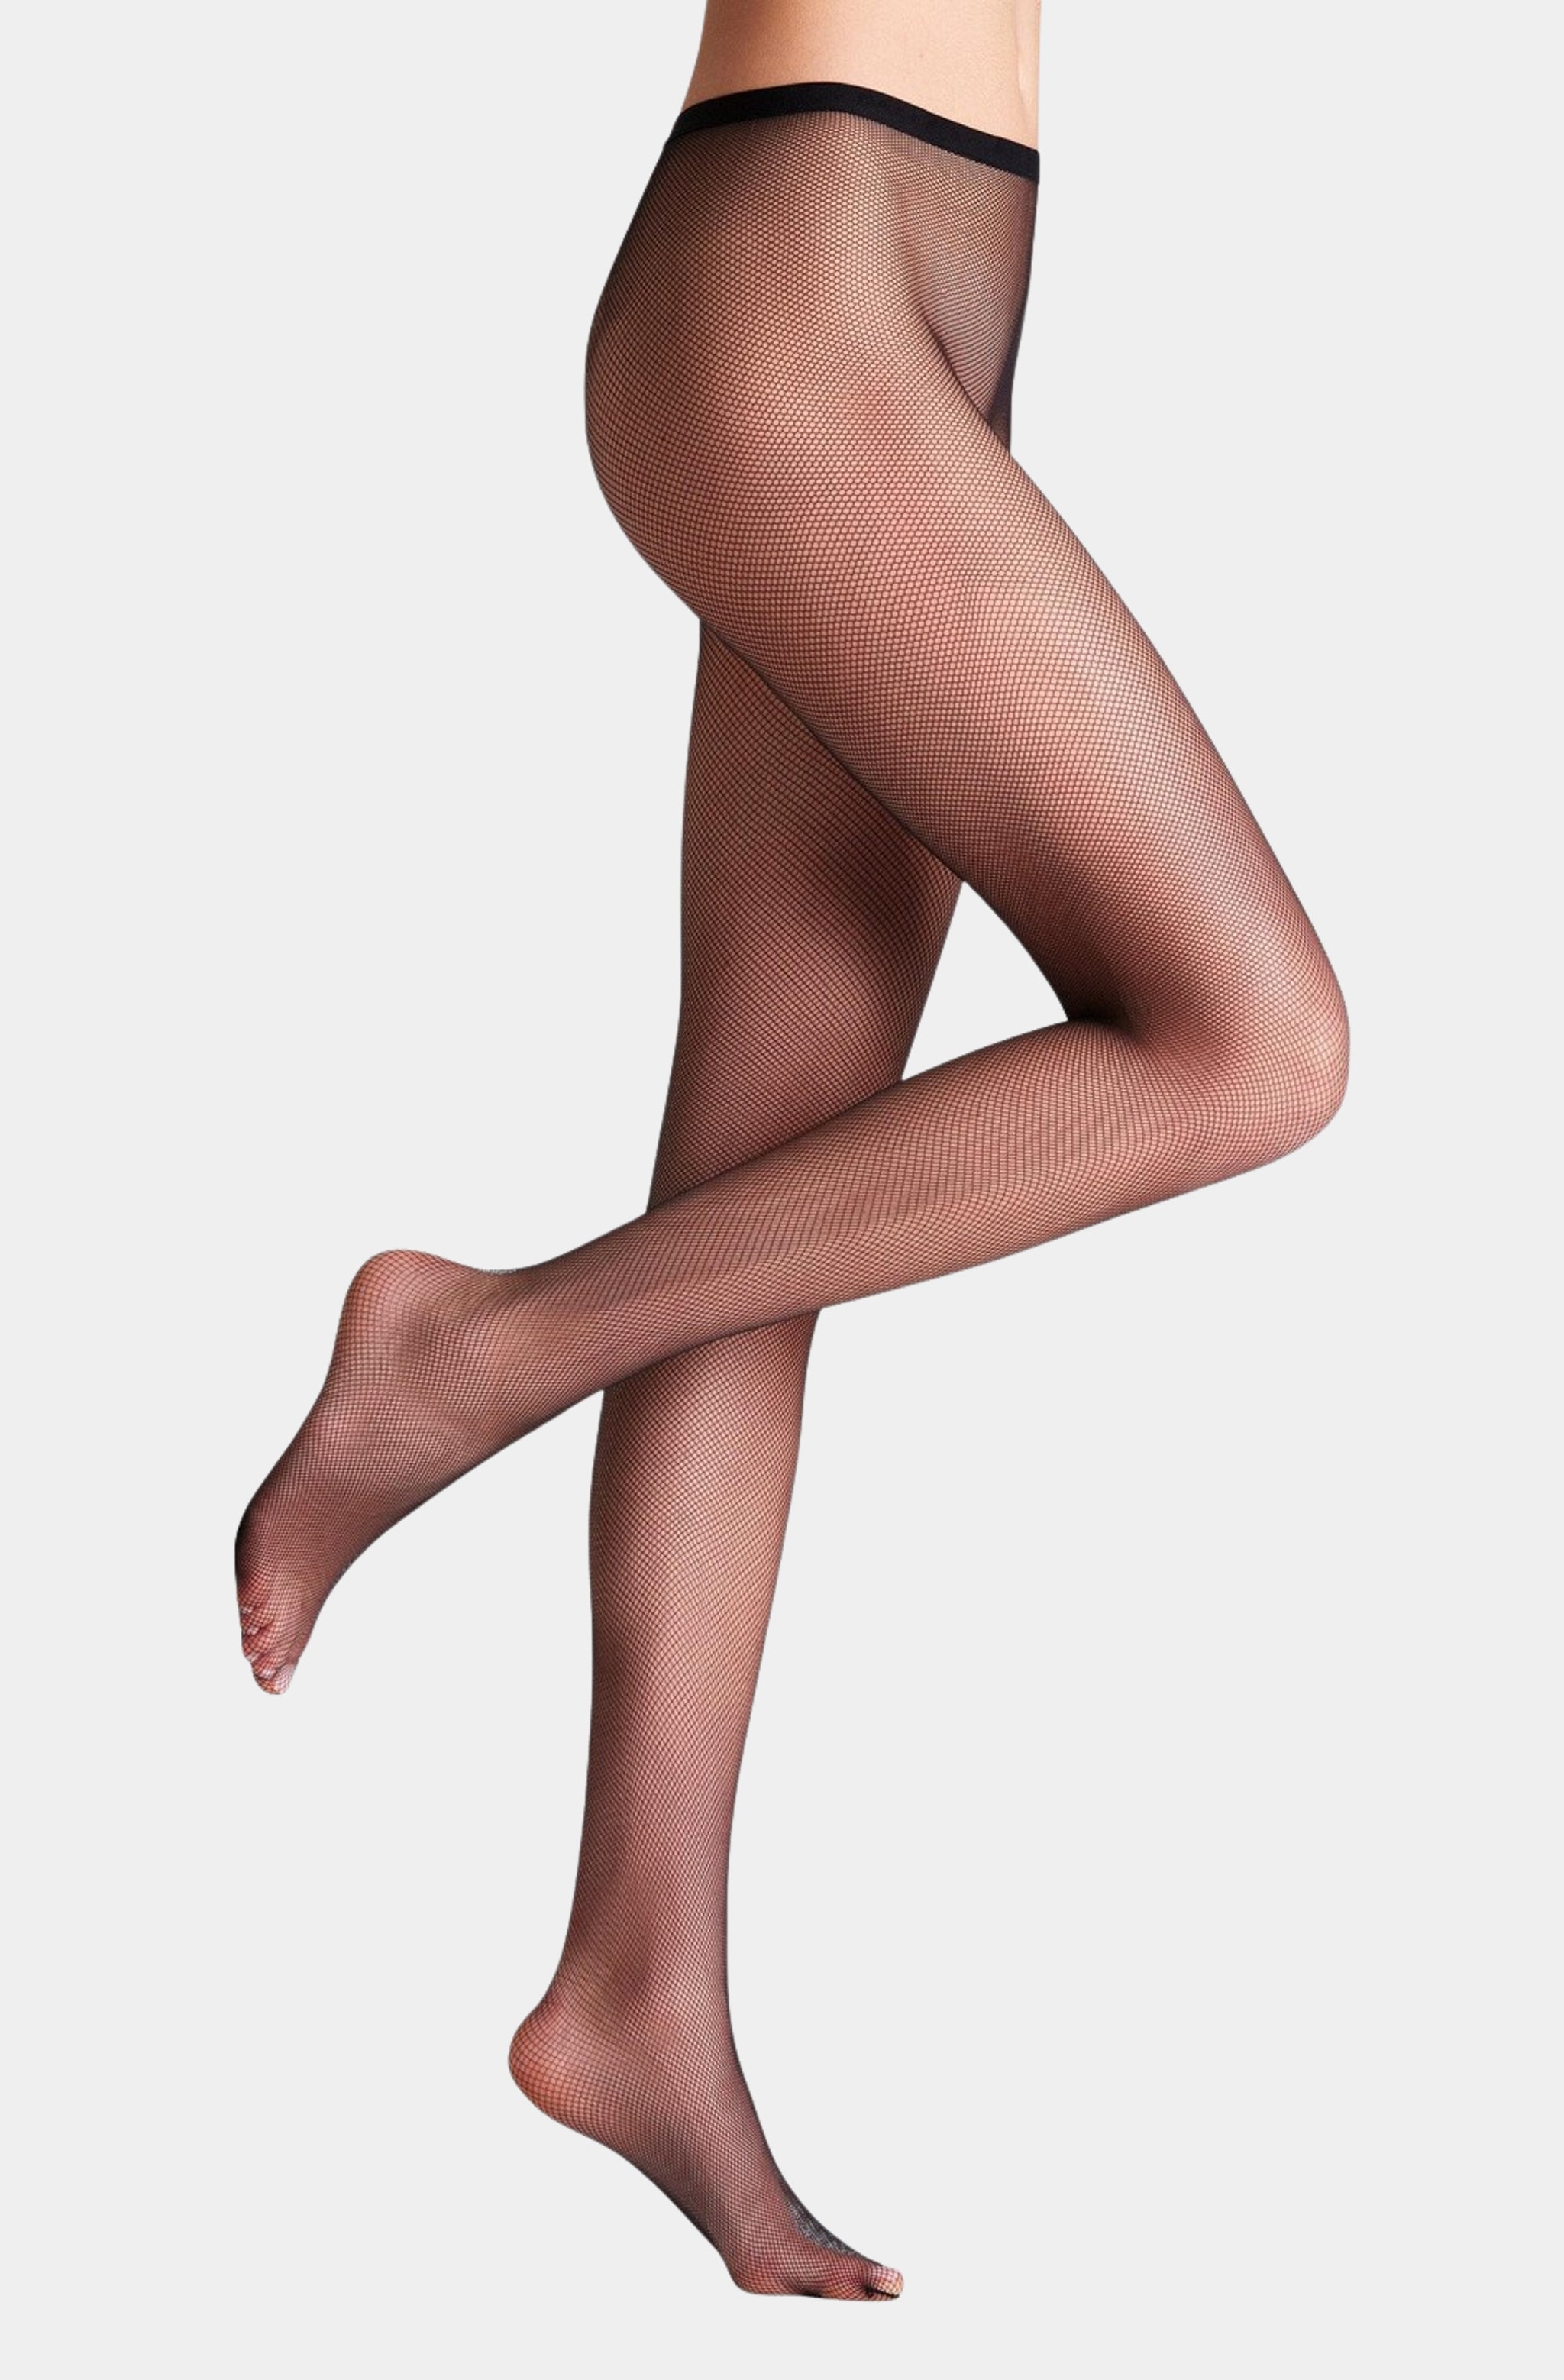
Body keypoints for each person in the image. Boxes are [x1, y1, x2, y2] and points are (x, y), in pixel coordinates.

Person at [234, 0, 1349, 2301]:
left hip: (923, 281)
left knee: (773, 1193)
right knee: (1255, 1045)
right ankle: (467, 1349)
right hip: (800, 289)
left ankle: (637, 1980)